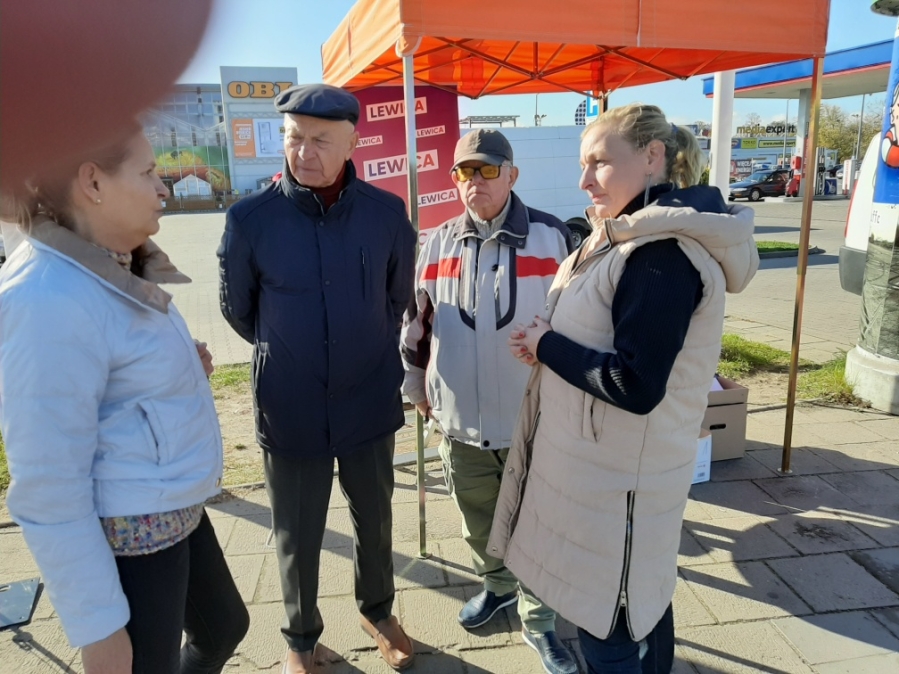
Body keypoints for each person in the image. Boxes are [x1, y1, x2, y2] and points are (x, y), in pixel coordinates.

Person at [490, 104, 759, 674]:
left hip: (618, 489)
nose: (584, 180)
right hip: (604, 474)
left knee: (610, 628)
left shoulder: (659, 254)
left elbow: (635, 384)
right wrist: (548, 340)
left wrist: (547, 346)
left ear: (652, 157)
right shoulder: (623, 235)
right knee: (640, 606)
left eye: (599, 163)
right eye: (582, 165)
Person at [0, 127, 249, 674]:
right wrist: (99, 627)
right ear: (92, 182)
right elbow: (47, 482)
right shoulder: (46, 297)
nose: (164, 188)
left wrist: (180, 364)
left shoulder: (113, 258)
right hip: (133, 533)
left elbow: (118, 367)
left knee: (224, 627)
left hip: (170, 504)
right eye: (148, 172)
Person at [217, 84, 417, 674]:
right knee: (297, 532)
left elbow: (396, 297)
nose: (304, 151)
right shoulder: (249, 219)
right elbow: (239, 310)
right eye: (294, 137)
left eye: (321, 140)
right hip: (291, 402)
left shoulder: (386, 214)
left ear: (353, 142)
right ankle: (301, 639)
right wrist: (294, 348)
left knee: (375, 519)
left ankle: (378, 612)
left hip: (368, 397)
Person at [400, 129, 578, 674]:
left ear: (512, 175)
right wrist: (416, 387)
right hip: (460, 423)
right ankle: (497, 586)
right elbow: (415, 324)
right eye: (463, 171)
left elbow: (582, 323)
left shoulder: (553, 237)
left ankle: (539, 621)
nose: (474, 180)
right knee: (478, 522)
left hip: (536, 424)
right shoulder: (436, 242)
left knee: (538, 528)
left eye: (487, 169)